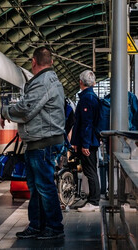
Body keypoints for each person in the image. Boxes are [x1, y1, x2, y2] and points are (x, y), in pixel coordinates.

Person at [0, 47, 65, 240]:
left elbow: (26, 109)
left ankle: (54, 227)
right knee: (37, 187)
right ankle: (38, 225)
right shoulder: (51, 80)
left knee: (44, 186)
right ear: (51, 62)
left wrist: (5, 111)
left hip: (42, 143)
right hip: (41, 142)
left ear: (33, 62)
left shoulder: (43, 82)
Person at [70, 70, 100, 212]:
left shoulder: (87, 98)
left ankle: (94, 202)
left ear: (81, 82)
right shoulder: (91, 96)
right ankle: (92, 200)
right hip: (89, 141)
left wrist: (85, 144)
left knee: (90, 170)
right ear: (93, 83)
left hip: (88, 142)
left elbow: (87, 123)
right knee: (90, 170)